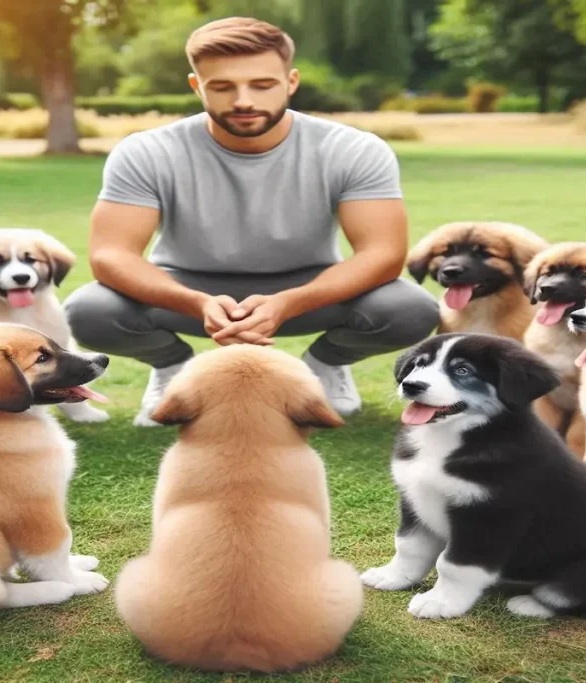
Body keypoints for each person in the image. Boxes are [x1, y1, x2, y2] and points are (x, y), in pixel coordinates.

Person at [64, 16, 439, 427]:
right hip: (185, 289)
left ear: (291, 82)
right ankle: (173, 367)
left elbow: (382, 254)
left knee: (410, 309)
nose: (243, 100)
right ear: (196, 86)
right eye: (222, 87)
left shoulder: (353, 149)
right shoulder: (145, 151)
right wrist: (196, 302)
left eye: (262, 85)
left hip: (308, 289)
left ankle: (325, 364)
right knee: (88, 310)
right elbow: (111, 255)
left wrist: (289, 302)